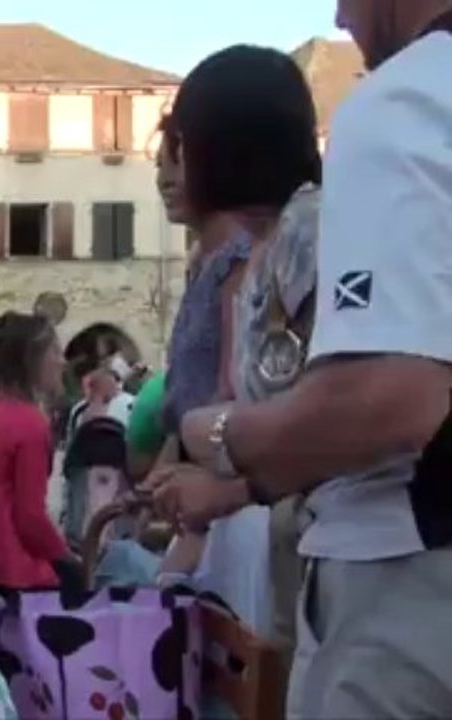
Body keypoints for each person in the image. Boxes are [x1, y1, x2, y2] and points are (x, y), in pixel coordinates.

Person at [164, 3, 452, 714]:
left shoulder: (404, 99)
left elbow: (384, 400)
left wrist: (224, 440)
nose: (339, 14)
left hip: (394, 567)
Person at [148, 46, 322, 628]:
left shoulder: (258, 259)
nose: (165, 171)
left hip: (269, 546)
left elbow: (252, 416)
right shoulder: (242, 257)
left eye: (177, 148)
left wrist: (213, 483)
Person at [0, 312, 71, 591]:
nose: (61, 361)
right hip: (15, 578)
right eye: (54, 350)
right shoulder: (28, 422)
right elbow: (30, 518)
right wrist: (68, 559)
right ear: (31, 360)